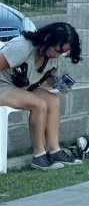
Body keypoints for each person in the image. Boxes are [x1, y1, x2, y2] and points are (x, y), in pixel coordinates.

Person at [0, 22, 83, 170]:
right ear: (48, 39)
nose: (57, 55)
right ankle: (39, 156)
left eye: (62, 52)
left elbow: (44, 76)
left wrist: (57, 82)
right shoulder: (22, 47)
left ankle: (54, 150)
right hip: (2, 85)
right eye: (57, 50)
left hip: (20, 87)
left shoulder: (50, 54)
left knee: (53, 100)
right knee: (38, 104)